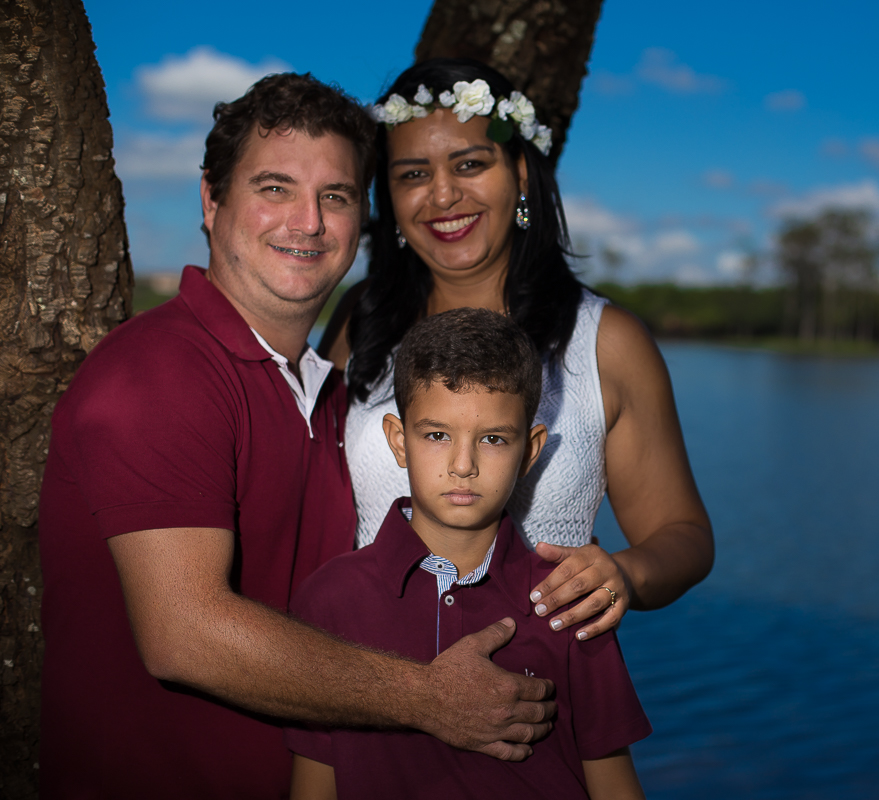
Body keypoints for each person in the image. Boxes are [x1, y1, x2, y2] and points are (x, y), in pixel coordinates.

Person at [37, 72, 554, 800]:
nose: (308, 223)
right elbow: (184, 634)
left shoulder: (330, 392)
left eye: (335, 197)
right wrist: (428, 697)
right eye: (275, 188)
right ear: (211, 201)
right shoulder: (158, 372)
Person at [322, 58, 714, 642]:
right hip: (372, 669)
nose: (443, 194)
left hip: (536, 675)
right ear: (392, 200)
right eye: (413, 174)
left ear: (522, 173)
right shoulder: (362, 320)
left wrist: (624, 575)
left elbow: (683, 535)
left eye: (470, 164)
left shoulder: (606, 341)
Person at [287, 308, 651, 800]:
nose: (463, 465)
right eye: (437, 435)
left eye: (493, 439)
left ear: (530, 451)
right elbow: (313, 783)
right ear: (399, 441)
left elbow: (615, 785)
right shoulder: (329, 600)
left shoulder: (569, 600)